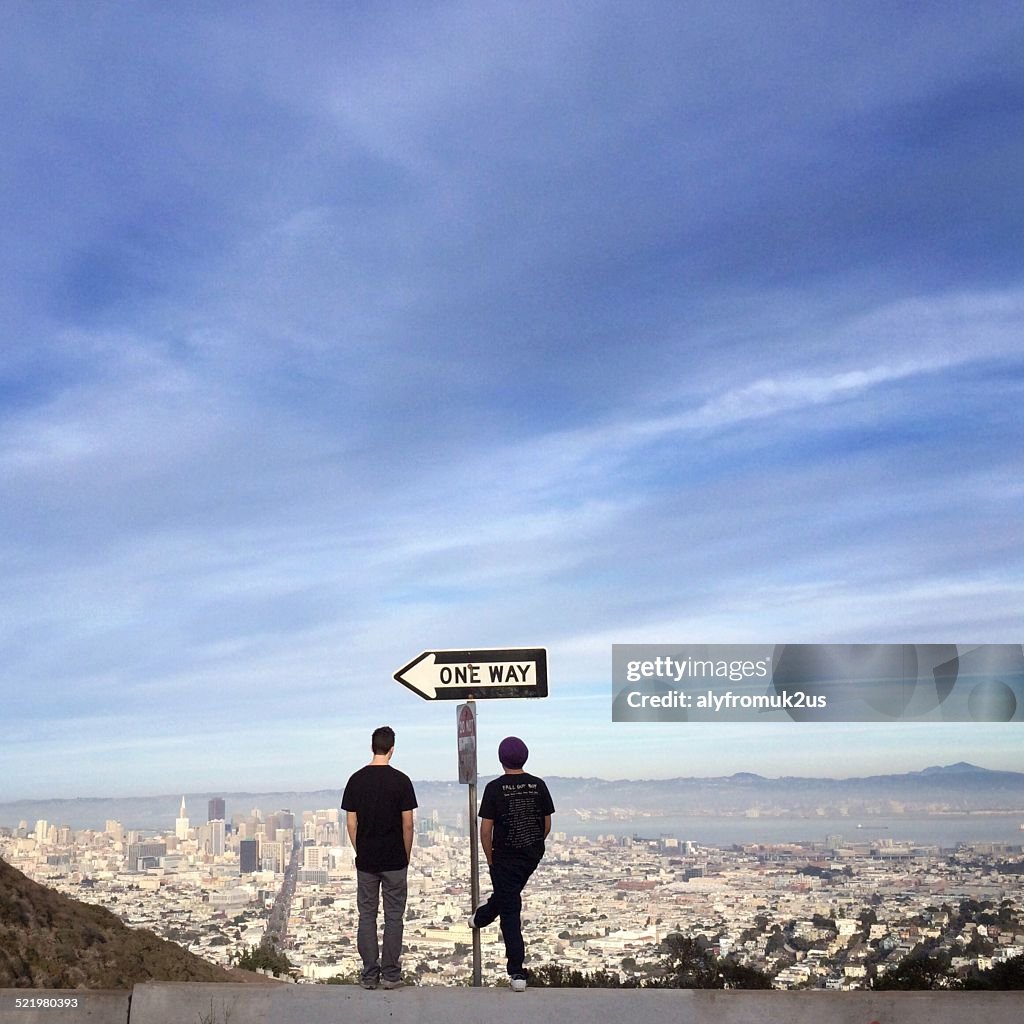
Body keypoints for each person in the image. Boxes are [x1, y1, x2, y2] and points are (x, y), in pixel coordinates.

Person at [469, 736, 554, 991]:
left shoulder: (494, 788)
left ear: (500, 759)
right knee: (509, 896)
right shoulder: (539, 785)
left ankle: (516, 972)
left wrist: (490, 857)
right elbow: (546, 824)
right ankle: (481, 917)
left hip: (504, 857)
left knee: (510, 910)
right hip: (531, 856)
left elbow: (486, 830)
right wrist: (533, 845)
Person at [341, 726, 417, 989]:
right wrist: (405, 854)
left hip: (367, 861)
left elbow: (351, 823)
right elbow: (408, 824)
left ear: (372, 747)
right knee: (394, 916)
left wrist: (360, 848)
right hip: (395, 859)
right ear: (392, 749)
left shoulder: (356, 780)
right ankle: (392, 976)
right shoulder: (402, 781)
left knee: (367, 915)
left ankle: (369, 975)